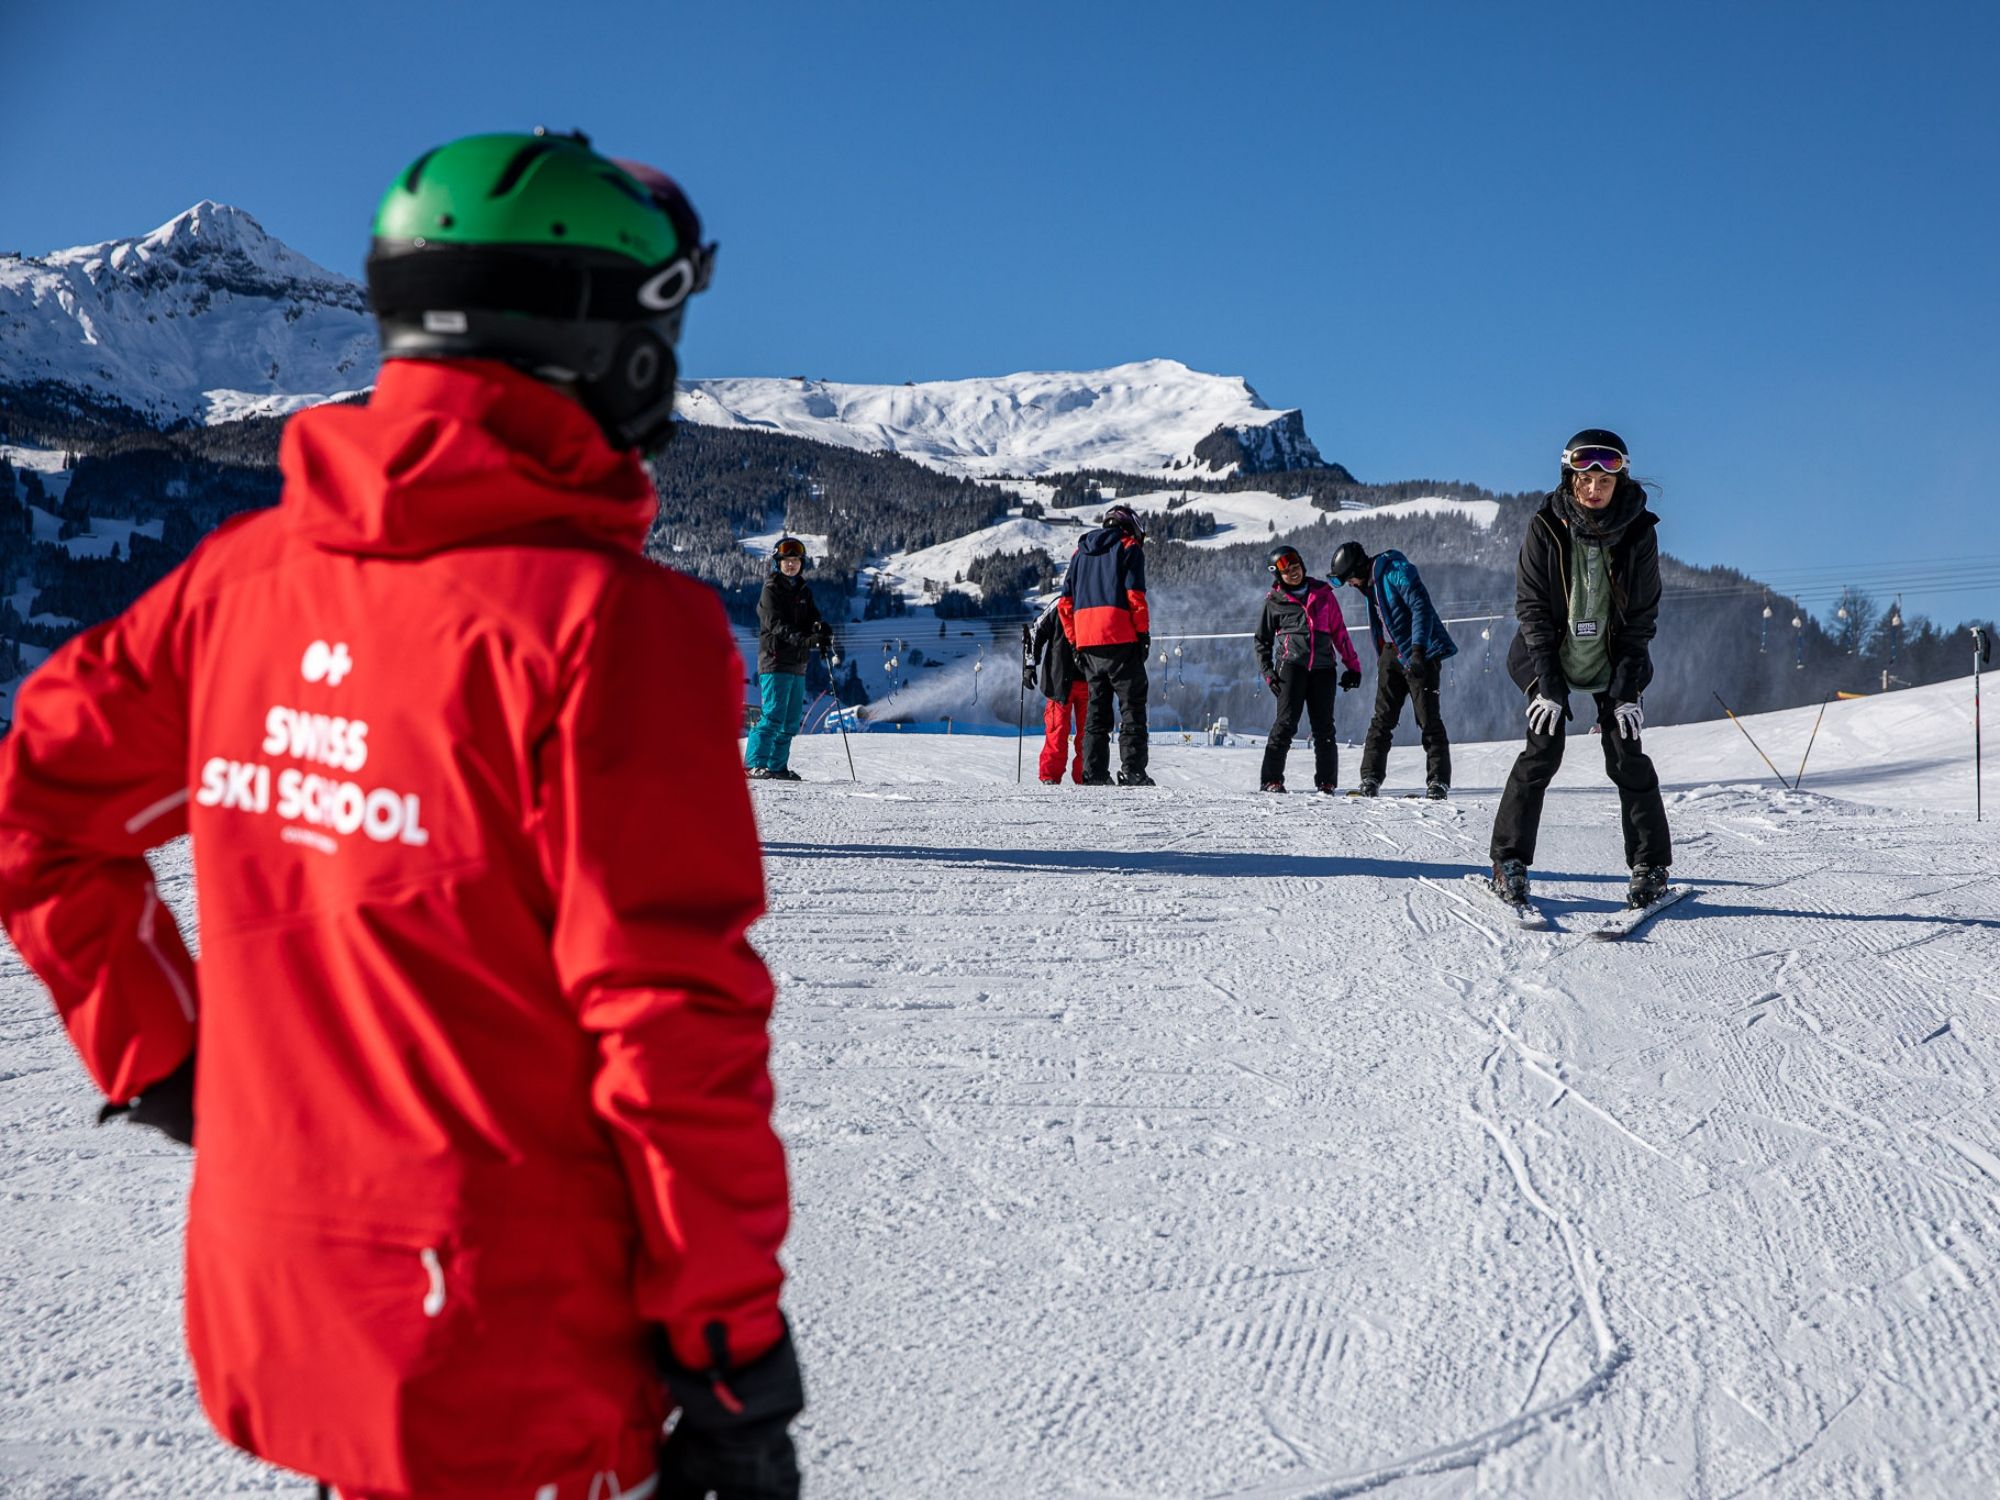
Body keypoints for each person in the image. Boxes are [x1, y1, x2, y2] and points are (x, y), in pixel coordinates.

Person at [0, 130, 804, 1500]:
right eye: (663, 318)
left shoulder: (241, 584)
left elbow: (39, 811)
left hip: (292, 1293)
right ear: (596, 334)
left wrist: (167, 1055)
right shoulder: (612, 629)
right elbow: (668, 1025)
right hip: (509, 1341)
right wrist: (729, 1360)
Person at [1488, 429, 1672, 908]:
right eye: (1584, 478)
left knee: (1626, 755)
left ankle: (1650, 865)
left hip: (1613, 660)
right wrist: (1548, 685)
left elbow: (1641, 619)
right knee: (1543, 750)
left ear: (1619, 481)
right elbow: (1531, 608)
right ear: (1569, 477)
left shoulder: (1639, 531)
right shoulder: (1545, 525)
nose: (1594, 489)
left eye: (1604, 482)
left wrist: (1628, 689)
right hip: (1548, 654)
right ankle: (1508, 861)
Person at [1330, 539, 1456, 798]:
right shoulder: (1370, 584)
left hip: (1421, 653)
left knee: (1428, 719)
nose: (1349, 586)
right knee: (1382, 719)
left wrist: (1419, 650)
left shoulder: (1395, 570)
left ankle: (1438, 781)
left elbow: (1420, 606)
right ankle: (1370, 779)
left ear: (1357, 571)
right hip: (1391, 654)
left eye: (1347, 580)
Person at [1252, 544, 1362, 792]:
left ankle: (1326, 783)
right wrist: (1269, 674)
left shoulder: (1323, 594)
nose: (1293, 573)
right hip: (1291, 667)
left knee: (1324, 728)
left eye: (1296, 567)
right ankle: (1271, 779)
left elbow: (1340, 633)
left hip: (1324, 669)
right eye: (1287, 571)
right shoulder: (1274, 602)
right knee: (1285, 724)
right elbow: (1262, 641)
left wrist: (1353, 667)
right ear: (1278, 576)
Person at [1057, 503, 1153, 786]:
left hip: (1088, 642)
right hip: (1121, 637)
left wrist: (1076, 642)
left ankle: (1094, 772)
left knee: (1097, 709)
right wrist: (1143, 635)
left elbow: (1065, 603)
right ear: (1131, 527)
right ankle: (1133, 770)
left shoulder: (1079, 553)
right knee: (1132, 705)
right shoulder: (1129, 548)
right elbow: (1135, 595)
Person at [747, 535, 831, 780]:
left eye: (795, 560)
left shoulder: (803, 591)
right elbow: (775, 624)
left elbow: (813, 618)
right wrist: (803, 639)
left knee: (791, 720)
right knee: (773, 714)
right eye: (786, 560)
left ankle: (776, 766)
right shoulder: (771, 590)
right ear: (778, 562)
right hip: (775, 661)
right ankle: (754, 764)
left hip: (797, 663)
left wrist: (821, 629)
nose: (791, 564)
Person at [1025, 595, 1089, 784]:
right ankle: (1050, 777)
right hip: (1059, 681)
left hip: (1091, 680)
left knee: (1090, 732)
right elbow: (1036, 630)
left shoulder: (1096, 600)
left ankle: (1087, 775)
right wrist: (1030, 664)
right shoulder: (1060, 604)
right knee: (1057, 730)